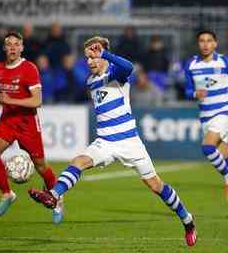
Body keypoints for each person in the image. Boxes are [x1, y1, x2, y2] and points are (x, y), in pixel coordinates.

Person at [29, 36, 196, 247]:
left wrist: (105, 54)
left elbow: (129, 67)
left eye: (93, 56)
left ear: (104, 55)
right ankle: (53, 195)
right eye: (87, 57)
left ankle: (188, 221)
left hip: (130, 142)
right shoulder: (92, 81)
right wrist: (99, 55)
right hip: (105, 142)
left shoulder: (116, 74)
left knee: (156, 186)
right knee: (78, 161)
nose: (89, 61)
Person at [0, 31, 63, 223]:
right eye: (9, 44)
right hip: (8, 120)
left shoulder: (29, 68)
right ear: (4, 48)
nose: (12, 47)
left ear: (22, 47)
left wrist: (10, 100)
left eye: (16, 44)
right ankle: (7, 194)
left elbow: (38, 101)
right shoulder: (0, 67)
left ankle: (58, 200)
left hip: (27, 124)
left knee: (41, 166)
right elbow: (2, 92)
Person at [184, 30, 228, 198]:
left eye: (209, 40)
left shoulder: (224, 62)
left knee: (208, 147)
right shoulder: (191, 64)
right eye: (202, 41)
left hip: (224, 112)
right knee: (222, 158)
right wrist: (195, 94)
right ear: (198, 44)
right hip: (205, 117)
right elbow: (188, 91)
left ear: (215, 44)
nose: (205, 44)